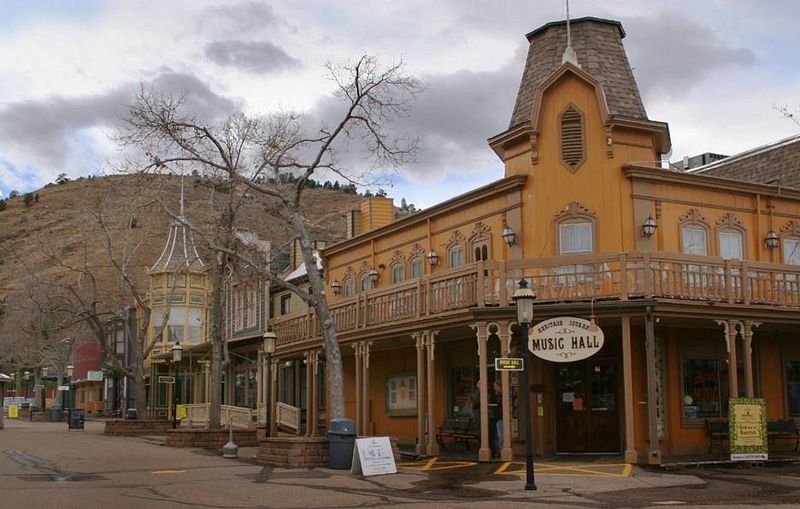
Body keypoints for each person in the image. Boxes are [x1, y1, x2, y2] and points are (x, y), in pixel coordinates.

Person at [492, 380, 504, 457]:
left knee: (501, 435)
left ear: (499, 386)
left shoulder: (502, 395)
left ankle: (502, 451)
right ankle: (501, 450)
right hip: (498, 418)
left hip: (501, 417)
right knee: (500, 435)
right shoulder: (497, 395)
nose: (495, 388)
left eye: (495, 386)